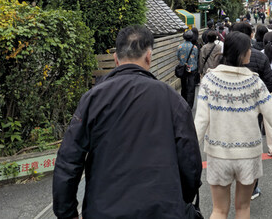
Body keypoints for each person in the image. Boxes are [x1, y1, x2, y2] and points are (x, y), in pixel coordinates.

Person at [53, 25, 201, 219]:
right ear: (149, 57)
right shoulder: (171, 99)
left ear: (116, 59)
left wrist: (67, 213)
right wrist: (184, 198)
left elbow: (69, 159)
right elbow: (190, 160)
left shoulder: (93, 99)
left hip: (103, 210)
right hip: (162, 209)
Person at [194, 31, 272, 219]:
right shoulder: (255, 82)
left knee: (219, 211)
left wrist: (185, 151)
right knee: (243, 209)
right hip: (248, 155)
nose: (251, 51)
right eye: (248, 49)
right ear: (242, 53)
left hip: (218, 153)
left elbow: (200, 122)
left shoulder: (209, 81)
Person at [231, 21, 272, 199]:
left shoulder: (223, 59)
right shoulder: (259, 56)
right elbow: (271, 81)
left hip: (228, 109)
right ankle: (251, 185)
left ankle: (232, 176)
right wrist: (260, 97)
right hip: (253, 110)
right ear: (250, 35)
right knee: (251, 142)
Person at [176, 29, 200, 109]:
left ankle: (183, 102)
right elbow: (196, 58)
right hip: (192, 68)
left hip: (183, 68)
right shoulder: (195, 47)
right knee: (191, 86)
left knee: (183, 86)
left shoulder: (180, 46)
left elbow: (178, 57)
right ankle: (189, 105)